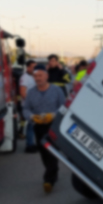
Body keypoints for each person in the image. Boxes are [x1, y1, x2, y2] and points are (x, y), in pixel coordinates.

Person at [22, 65, 65, 193]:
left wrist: (53, 115)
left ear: (46, 76)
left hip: (53, 126)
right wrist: (31, 117)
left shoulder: (57, 90)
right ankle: (53, 171)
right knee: (43, 152)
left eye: (40, 75)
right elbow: (26, 108)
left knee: (50, 150)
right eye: (35, 76)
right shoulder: (31, 92)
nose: (37, 78)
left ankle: (49, 180)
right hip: (39, 126)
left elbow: (64, 107)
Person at [19, 60, 38, 153]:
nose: (35, 69)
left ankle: (31, 144)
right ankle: (29, 146)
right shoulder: (25, 78)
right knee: (31, 126)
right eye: (33, 67)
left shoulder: (33, 77)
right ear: (28, 67)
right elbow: (23, 93)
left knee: (33, 126)